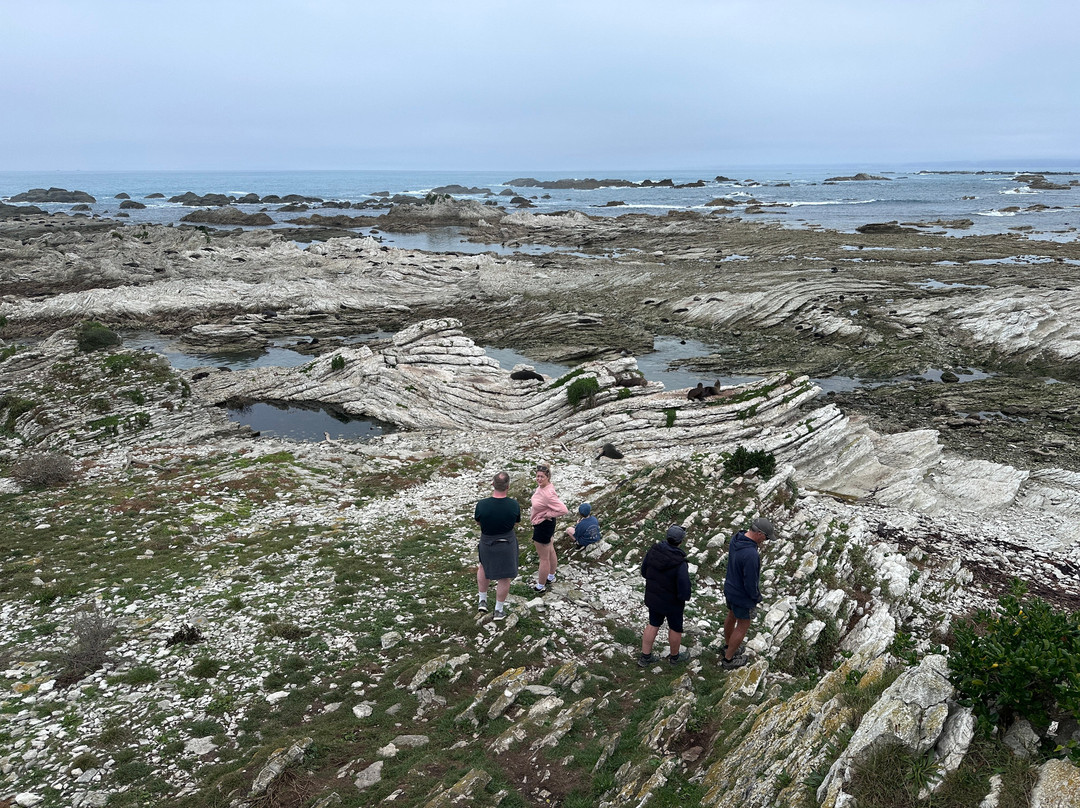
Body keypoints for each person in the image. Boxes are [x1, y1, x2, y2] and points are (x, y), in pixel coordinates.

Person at [721, 516, 775, 670]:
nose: (765, 540)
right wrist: (756, 597)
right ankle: (729, 659)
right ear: (759, 533)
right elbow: (750, 582)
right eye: (765, 537)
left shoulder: (736, 539)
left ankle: (727, 645)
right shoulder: (751, 554)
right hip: (742, 595)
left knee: (731, 615)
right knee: (743, 625)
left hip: (730, 588)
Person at [638, 524, 692, 667]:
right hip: (672, 602)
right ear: (681, 541)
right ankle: (674, 658)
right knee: (675, 628)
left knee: (653, 624)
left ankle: (645, 657)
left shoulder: (653, 551)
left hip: (654, 597)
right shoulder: (680, 562)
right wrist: (683, 598)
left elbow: (644, 572)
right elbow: (684, 586)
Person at [474, 471, 521, 620]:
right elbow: (515, 522)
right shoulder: (514, 505)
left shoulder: (482, 504)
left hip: (487, 541)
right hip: (507, 542)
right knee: (504, 577)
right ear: (508, 486)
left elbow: (478, 521)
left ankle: (482, 600)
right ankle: (499, 610)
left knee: (483, 566)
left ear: (493, 484)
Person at [529, 463, 568, 592]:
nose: (539, 479)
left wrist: (547, 514)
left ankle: (540, 585)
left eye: (542, 477)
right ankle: (551, 576)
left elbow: (563, 509)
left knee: (543, 558)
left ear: (548, 477)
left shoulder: (548, 493)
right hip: (546, 523)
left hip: (543, 525)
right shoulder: (542, 488)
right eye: (538, 476)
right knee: (550, 549)